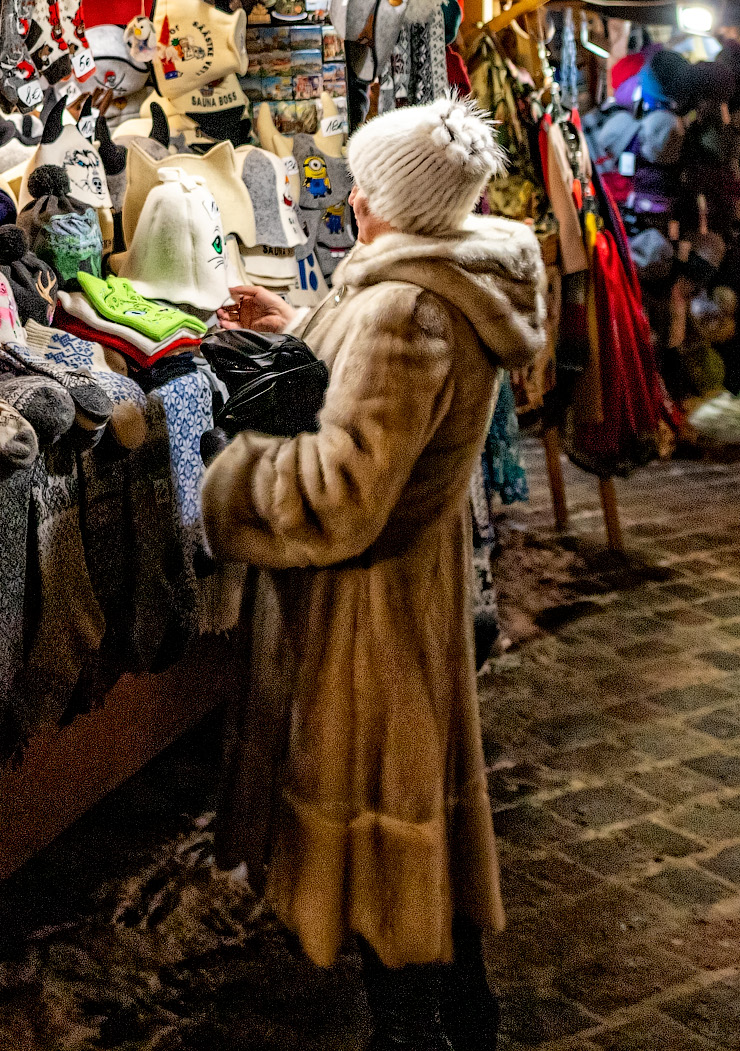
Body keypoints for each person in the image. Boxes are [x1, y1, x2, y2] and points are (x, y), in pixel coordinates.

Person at [204, 95, 544, 1051]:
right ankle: (469, 1014)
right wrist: (299, 326)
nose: (352, 196)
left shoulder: (406, 308)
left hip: (370, 612)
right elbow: (374, 387)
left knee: (384, 845)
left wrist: (232, 487)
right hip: (408, 590)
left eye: (369, 182)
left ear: (400, 200)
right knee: (425, 816)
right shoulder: (428, 282)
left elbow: (345, 487)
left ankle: (413, 1033)